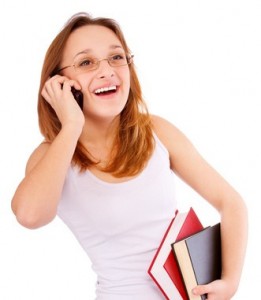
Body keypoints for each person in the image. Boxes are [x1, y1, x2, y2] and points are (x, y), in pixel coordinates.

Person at [11, 12, 248, 300]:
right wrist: (72, 125)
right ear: (61, 83)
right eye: (86, 63)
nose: (107, 70)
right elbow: (30, 215)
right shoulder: (53, 155)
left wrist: (230, 282)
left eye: (116, 58)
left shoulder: (155, 131)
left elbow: (231, 202)